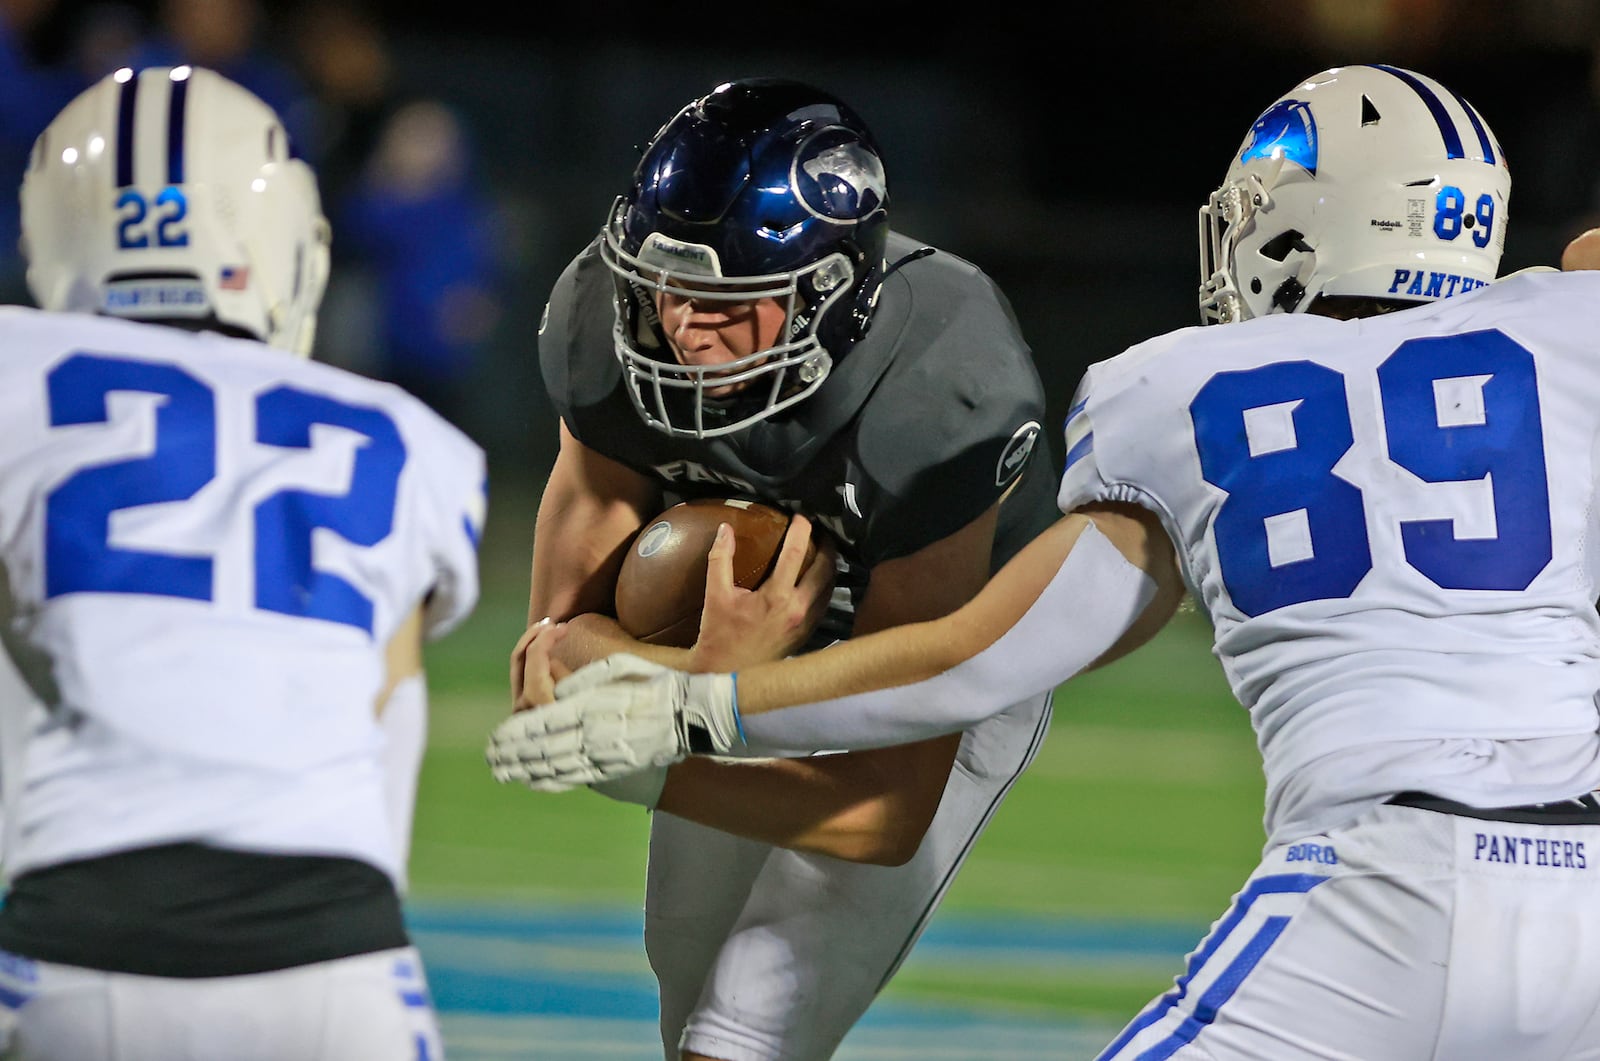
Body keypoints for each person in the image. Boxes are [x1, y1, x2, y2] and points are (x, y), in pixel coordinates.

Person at [493, 64, 1600, 1060]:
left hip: (1376, 875)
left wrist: (705, 706)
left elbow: (972, 662)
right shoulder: (1570, 328)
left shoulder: (1177, 386)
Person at [512, 76, 1061, 1061]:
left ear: (830, 293)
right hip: (726, 651)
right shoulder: (604, 319)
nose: (682, 328)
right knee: (685, 987)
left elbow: (882, 809)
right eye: (667, 289)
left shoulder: (943, 383)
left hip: (946, 669)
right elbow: (554, 660)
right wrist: (707, 682)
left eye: (729, 305)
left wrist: (713, 705)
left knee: (745, 1032)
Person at [0, 65, 486, 1059]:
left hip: (78, 934)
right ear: (283, 240)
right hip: (338, 956)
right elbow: (386, 706)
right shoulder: (407, 436)